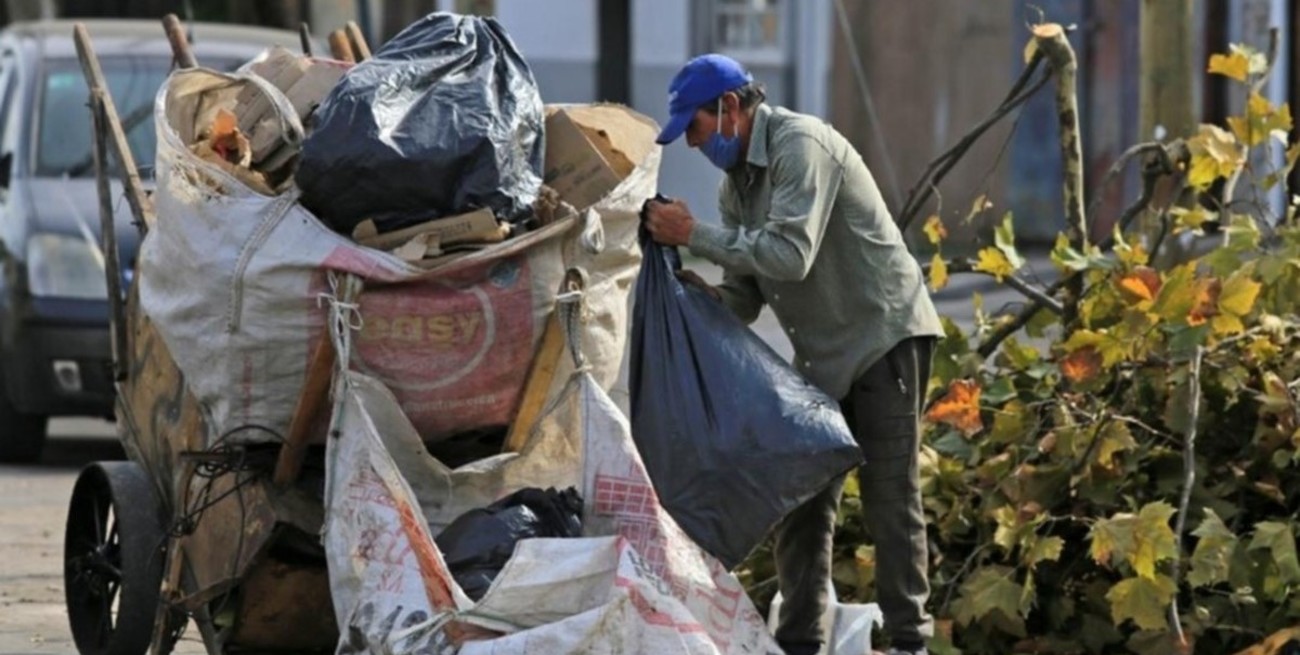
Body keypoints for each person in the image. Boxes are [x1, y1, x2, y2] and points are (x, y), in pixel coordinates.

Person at [643, 54, 944, 655]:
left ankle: (910, 641)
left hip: (883, 336)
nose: (695, 145)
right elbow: (747, 294)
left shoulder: (799, 146)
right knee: (801, 498)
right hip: (823, 359)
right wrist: (699, 299)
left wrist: (693, 235)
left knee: (889, 497)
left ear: (729, 107)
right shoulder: (736, 187)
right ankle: (800, 641)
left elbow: (789, 256)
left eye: (696, 128)